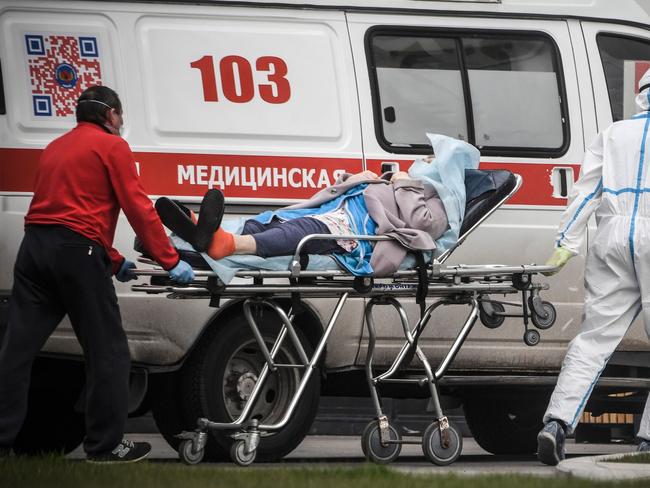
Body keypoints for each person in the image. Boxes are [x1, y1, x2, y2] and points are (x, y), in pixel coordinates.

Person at [0, 86, 194, 463]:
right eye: (120, 117)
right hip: (77, 255)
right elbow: (137, 206)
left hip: (35, 251)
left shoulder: (55, 147)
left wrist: (114, 259)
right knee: (110, 353)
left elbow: (63, 213)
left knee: (14, 353)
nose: (121, 124)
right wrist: (170, 261)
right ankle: (105, 446)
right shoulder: (112, 147)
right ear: (111, 116)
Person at [536, 69, 650, 465]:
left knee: (593, 340)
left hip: (612, 236)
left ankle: (556, 423)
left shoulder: (613, 134)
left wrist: (565, 243)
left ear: (640, 96)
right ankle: (649, 440)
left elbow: (586, 193)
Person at [157, 168, 449, 277]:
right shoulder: (407, 185)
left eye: (430, 158)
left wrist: (404, 183)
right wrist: (357, 179)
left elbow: (421, 223)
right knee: (268, 223)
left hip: (354, 231)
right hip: (336, 210)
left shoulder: (438, 202)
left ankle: (224, 243)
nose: (423, 160)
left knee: (300, 232)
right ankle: (200, 232)